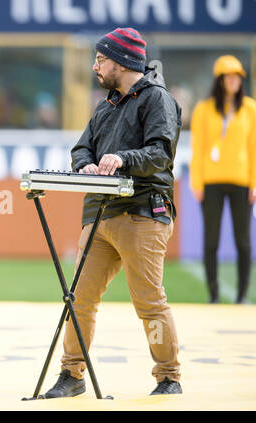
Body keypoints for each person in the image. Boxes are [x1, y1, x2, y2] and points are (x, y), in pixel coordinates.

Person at [42, 27, 184, 398]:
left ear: (120, 61)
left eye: (100, 59)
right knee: (78, 298)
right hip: (100, 216)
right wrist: (86, 164)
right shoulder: (106, 105)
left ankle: (168, 377)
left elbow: (160, 154)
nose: (95, 66)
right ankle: (71, 375)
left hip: (143, 214)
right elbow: (80, 149)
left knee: (149, 301)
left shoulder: (158, 100)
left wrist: (122, 158)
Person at [189, 55, 256, 304]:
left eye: (237, 77)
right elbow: (197, 147)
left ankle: (242, 295)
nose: (234, 81)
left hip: (242, 182)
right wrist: (196, 182)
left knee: (243, 241)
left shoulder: (250, 108)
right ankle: (213, 294)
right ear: (219, 80)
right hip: (211, 182)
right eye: (229, 76)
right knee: (211, 240)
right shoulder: (204, 109)